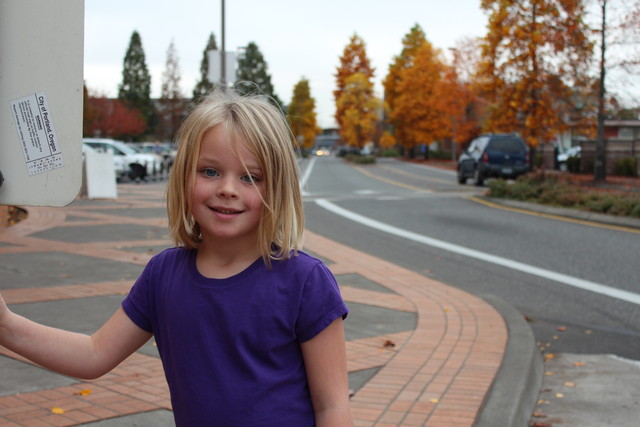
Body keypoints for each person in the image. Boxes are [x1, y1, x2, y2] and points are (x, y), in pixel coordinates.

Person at [0, 88, 353, 426]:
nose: (227, 189)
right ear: (184, 176)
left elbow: (332, 405)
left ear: (277, 186)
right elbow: (94, 354)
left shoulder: (305, 281)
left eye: (250, 177)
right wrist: (7, 325)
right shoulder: (163, 275)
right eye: (210, 171)